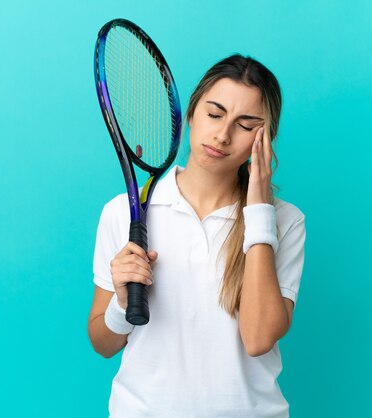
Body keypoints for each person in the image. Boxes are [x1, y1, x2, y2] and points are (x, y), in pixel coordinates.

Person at [88, 54, 306, 418]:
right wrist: (123, 303)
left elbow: (258, 338)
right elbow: (102, 343)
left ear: (264, 139)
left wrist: (258, 212)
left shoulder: (285, 221)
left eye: (245, 124)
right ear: (190, 113)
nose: (222, 135)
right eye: (215, 114)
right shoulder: (123, 212)